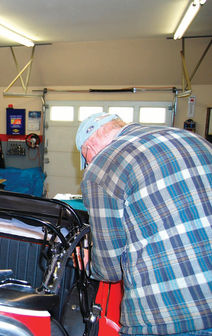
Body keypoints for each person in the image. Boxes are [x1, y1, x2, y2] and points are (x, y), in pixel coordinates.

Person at [75, 113, 212, 335]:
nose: (89, 163)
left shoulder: (101, 166)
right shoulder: (194, 140)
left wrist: (86, 261)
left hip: (168, 315)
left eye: (86, 158)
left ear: (89, 148)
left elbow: (109, 270)